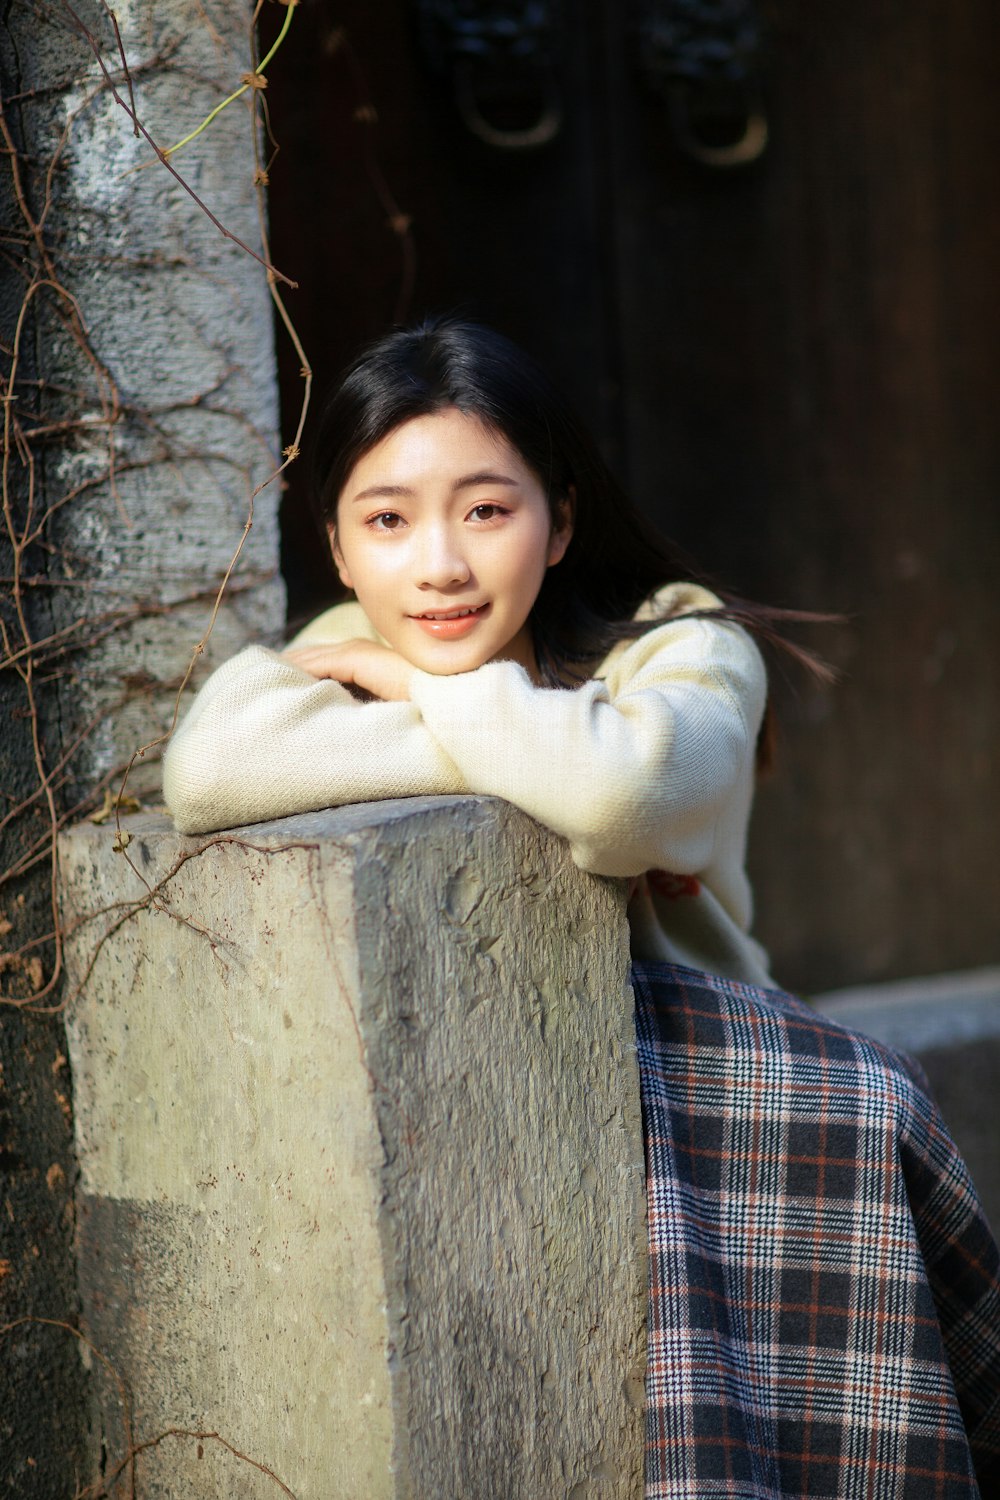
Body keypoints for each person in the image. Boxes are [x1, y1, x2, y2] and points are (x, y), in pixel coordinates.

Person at [163, 316, 999, 1497]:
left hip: (730, 1101)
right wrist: (516, 742)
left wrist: (412, 690)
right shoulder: (334, 643)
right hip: (485, 1109)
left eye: (486, 510)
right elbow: (210, 769)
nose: (439, 566)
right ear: (339, 552)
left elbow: (620, 788)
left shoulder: (681, 648)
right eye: (387, 520)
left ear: (558, 521)